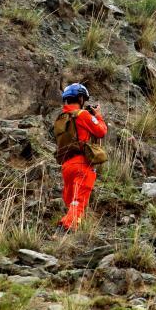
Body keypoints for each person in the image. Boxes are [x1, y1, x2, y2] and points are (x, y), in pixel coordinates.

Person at [55, 83, 108, 230]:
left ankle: (63, 228)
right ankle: (68, 228)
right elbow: (101, 131)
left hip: (66, 166)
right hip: (82, 164)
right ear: (80, 98)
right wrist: (97, 115)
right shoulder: (82, 115)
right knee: (79, 201)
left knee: (72, 202)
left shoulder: (61, 118)